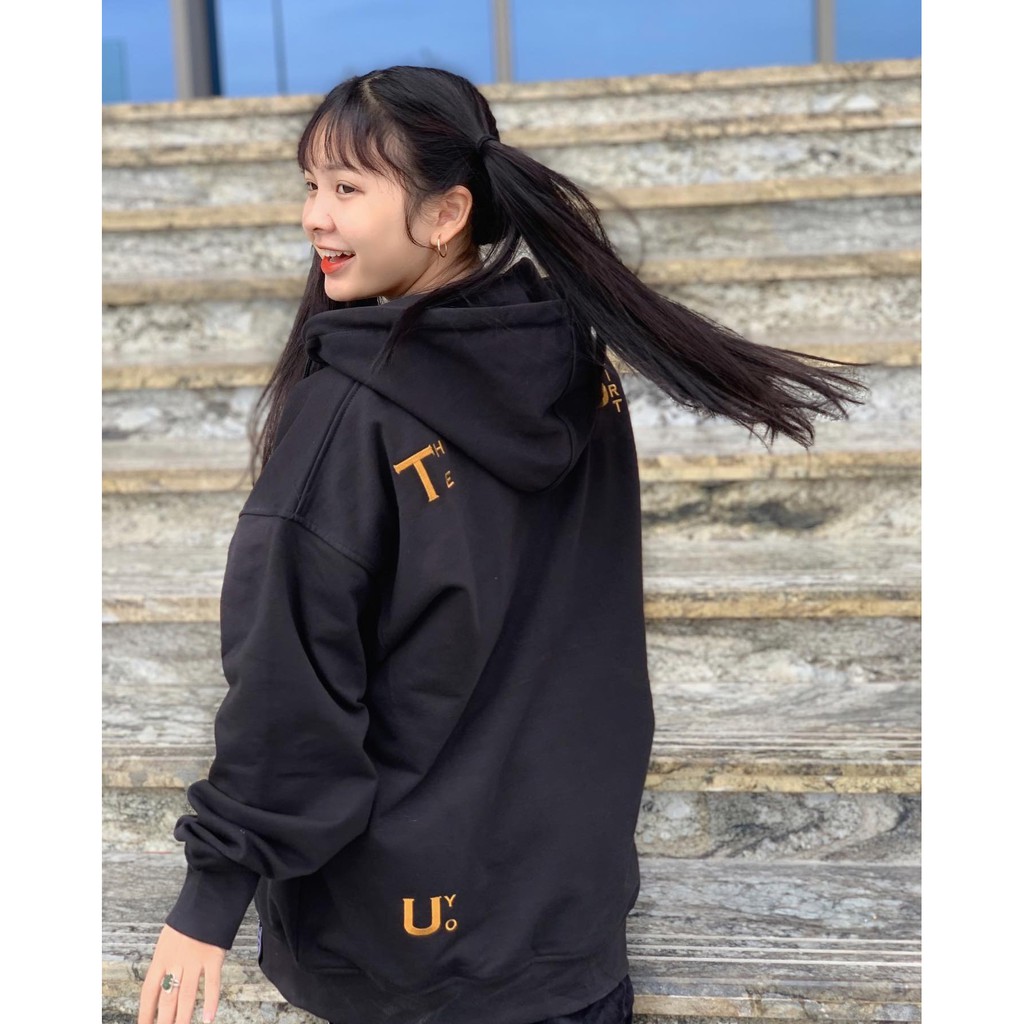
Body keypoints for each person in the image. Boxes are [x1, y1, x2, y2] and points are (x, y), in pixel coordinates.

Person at [134, 64, 866, 1024]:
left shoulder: (351, 416)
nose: (315, 216)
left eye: (348, 188)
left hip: (407, 960)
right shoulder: (571, 367)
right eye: (310, 185)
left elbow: (291, 679)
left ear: (446, 215)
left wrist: (210, 896)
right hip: (570, 933)